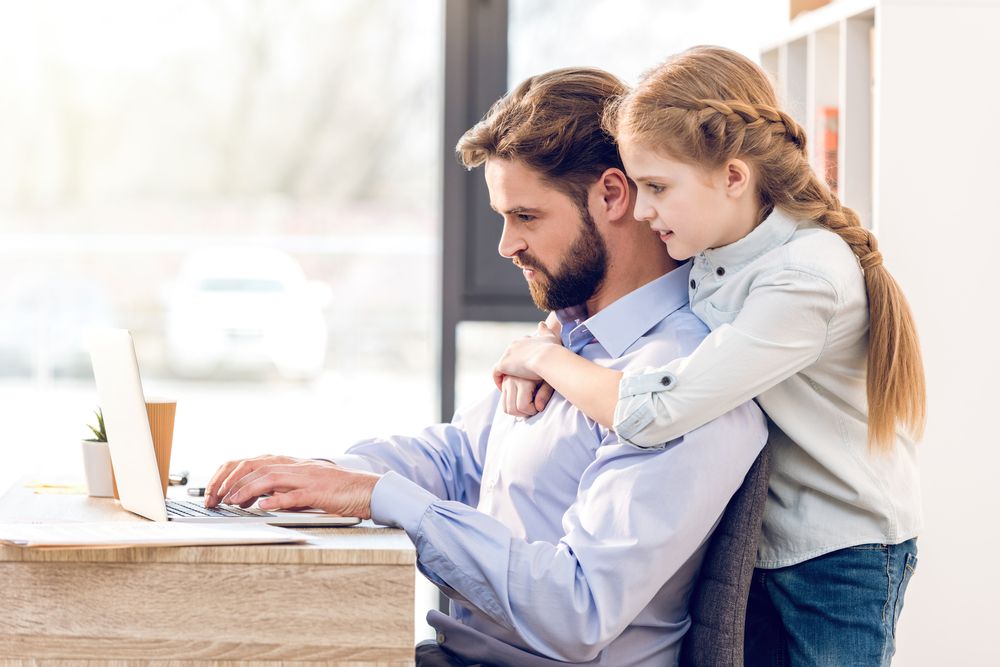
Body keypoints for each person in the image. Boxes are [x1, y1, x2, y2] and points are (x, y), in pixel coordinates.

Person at [203, 67, 766, 667]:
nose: (506, 245)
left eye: (526, 216)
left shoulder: (682, 382)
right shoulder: (569, 342)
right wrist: (321, 476)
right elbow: (461, 459)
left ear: (611, 195)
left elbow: (577, 611)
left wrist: (380, 497)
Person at [492, 46, 924, 666]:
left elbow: (655, 413)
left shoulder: (804, 279)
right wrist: (559, 334)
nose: (642, 210)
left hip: (839, 554)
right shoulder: (718, 242)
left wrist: (545, 360)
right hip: (767, 538)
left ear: (733, 177)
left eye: (657, 187)